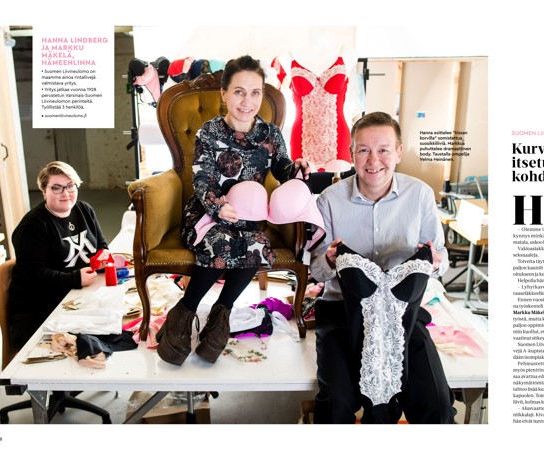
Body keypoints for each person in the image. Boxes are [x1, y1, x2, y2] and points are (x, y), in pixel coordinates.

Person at [155, 55, 309, 366]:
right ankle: (184, 313)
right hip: (206, 213)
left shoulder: (270, 134)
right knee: (222, 241)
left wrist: (296, 169)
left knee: (257, 244)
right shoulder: (209, 132)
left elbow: (282, 168)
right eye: (239, 92)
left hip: (247, 217)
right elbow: (202, 178)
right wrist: (217, 205)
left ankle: (219, 319)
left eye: (255, 92)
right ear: (224, 93)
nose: (247, 101)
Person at [309, 111, 456, 424]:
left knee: (438, 404)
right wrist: (330, 261)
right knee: (336, 403)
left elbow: (441, 258)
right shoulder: (329, 201)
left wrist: (435, 261)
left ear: (399, 152)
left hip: (402, 316)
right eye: (363, 150)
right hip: (341, 312)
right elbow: (316, 272)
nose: (373, 160)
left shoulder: (420, 195)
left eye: (383, 150)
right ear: (352, 153)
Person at [8, 161, 107, 350]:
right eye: (56, 187)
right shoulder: (32, 227)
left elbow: (101, 246)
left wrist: (103, 257)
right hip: (39, 308)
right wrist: (75, 278)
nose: (65, 193)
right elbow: (34, 275)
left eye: (70, 186)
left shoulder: (84, 210)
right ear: (44, 191)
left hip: (76, 298)